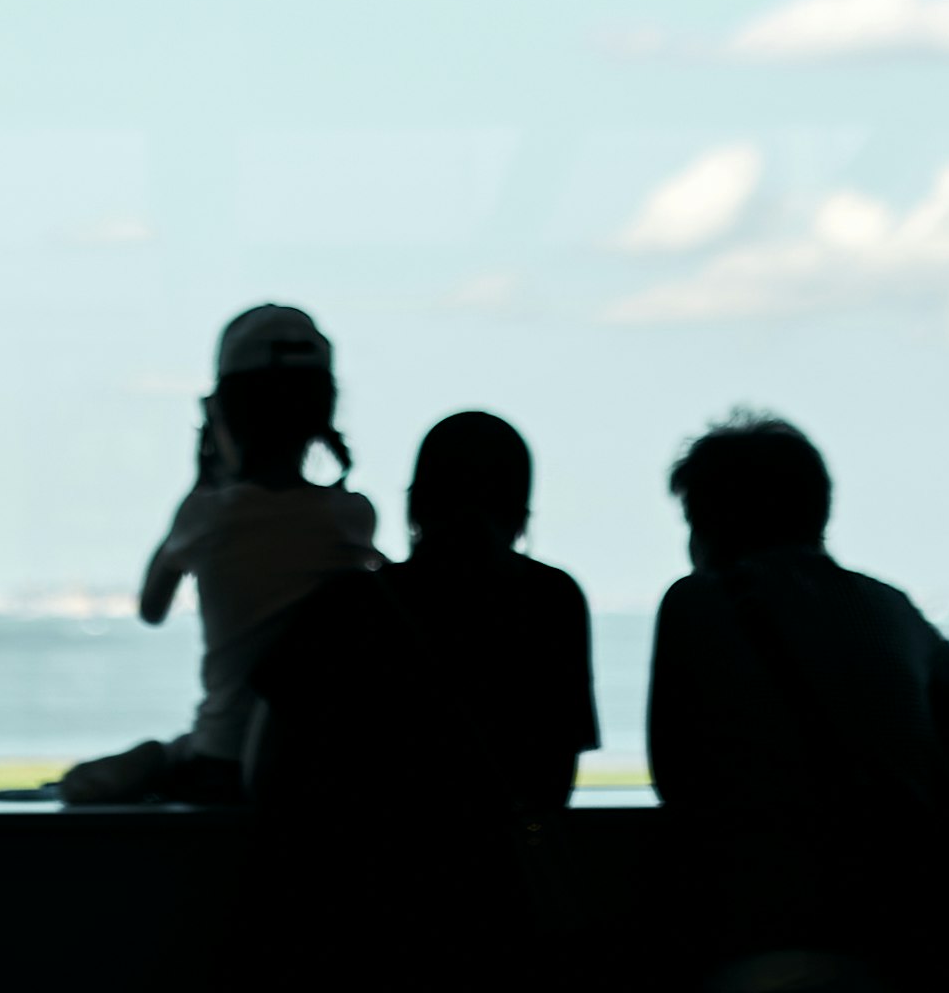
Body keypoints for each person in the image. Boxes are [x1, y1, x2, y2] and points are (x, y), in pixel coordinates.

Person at [645, 411, 949, 986]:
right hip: (898, 917)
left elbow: (676, 776)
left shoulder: (693, 604)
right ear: (818, 510)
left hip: (754, 918)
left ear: (704, 522)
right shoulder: (885, 606)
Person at [244, 410, 598, 988]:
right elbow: (552, 780)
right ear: (520, 508)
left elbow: (265, 771)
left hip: (356, 917)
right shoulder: (554, 602)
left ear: (416, 502)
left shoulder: (349, 606)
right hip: (500, 914)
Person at [55, 304, 379, 806]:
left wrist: (203, 482)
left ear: (223, 413)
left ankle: (158, 760)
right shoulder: (353, 518)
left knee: (156, 762)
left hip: (222, 759)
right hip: (315, 760)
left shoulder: (207, 517)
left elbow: (152, 607)